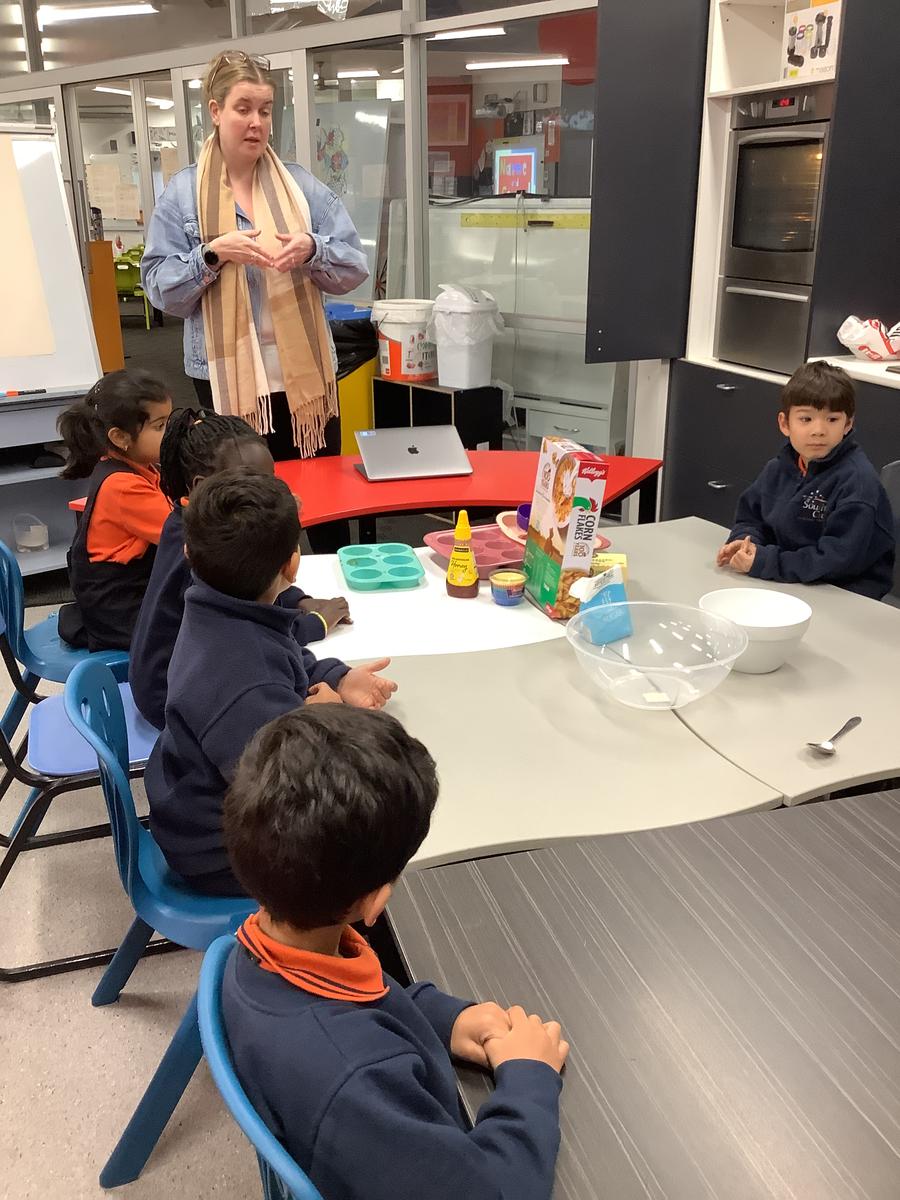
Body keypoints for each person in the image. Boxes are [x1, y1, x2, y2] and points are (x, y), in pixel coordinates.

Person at [222, 704, 568, 1200]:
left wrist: (443, 1019)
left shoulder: (261, 947)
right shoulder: (358, 1078)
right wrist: (530, 1078)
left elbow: (368, 996)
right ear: (374, 901)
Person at [141, 49, 369, 554]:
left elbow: (355, 267)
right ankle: (258, 591)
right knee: (247, 508)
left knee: (324, 498)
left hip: (305, 378)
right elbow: (159, 288)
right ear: (215, 110)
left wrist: (312, 249)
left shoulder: (300, 186)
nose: (256, 122)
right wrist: (211, 255)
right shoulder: (183, 195)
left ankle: (333, 581)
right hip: (226, 379)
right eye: (243, 108)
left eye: (265, 110)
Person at [145, 469, 396, 896]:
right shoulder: (247, 680)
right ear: (292, 566)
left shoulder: (218, 609)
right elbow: (290, 794)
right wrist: (323, 722)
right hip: (223, 851)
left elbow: (285, 652)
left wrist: (337, 676)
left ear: (189, 553)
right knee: (379, 837)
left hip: (198, 806)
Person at [129, 407, 350, 730]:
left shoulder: (196, 527)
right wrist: (317, 623)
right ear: (201, 485)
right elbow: (251, 633)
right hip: (168, 698)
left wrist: (298, 600)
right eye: (250, 482)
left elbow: (249, 581)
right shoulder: (199, 549)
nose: (267, 493)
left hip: (177, 681)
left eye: (270, 480)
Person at [717, 362, 895, 599]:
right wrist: (746, 542)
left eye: (832, 419)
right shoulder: (778, 468)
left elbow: (837, 561)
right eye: (806, 419)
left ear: (848, 424)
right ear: (785, 424)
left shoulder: (858, 484)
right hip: (788, 580)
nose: (818, 430)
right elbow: (751, 517)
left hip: (842, 593)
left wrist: (767, 562)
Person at [56, 370, 172, 651]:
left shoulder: (138, 468)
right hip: (120, 614)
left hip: (126, 600)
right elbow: (188, 534)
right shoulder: (124, 487)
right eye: (160, 426)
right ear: (120, 437)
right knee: (211, 626)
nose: (170, 433)